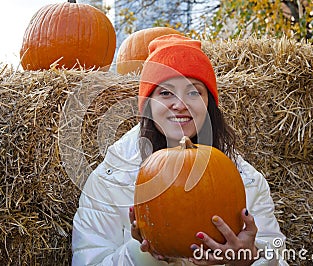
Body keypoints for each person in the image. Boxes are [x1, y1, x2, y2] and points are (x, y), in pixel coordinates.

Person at [71, 34, 287, 265]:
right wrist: (144, 252)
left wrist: (249, 259)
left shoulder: (249, 181)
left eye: (194, 92)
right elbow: (88, 260)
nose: (180, 105)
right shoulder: (111, 180)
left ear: (208, 103)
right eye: (165, 93)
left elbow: (279, 258)